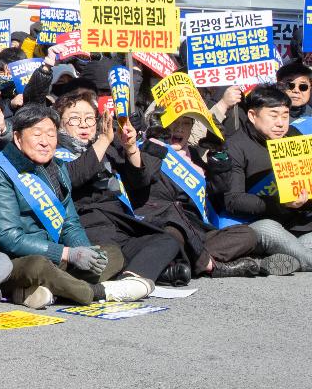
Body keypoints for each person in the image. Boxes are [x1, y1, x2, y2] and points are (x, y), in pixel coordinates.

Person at [0, 105, 150, 309]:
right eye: (37, 134)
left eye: (51, 134)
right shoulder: (1, 171)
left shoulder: (58, 166)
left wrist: (85, 252)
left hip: (56, 255)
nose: (45, 142)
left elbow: (70, 223)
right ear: (18, 138)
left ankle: (50, 290)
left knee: (111, 254)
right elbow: (9, 237)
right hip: (18, 259)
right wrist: (67, 254)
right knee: (39, 266)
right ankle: (99, 292)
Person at [51, 91, 182, 286]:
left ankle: (130, 280)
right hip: (87, 227)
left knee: (168, 240)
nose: (84, 124)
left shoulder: (109, 148)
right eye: (74, 119)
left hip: (119, 224)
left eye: (89, 118)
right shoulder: (55, 151)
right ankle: (149, 273)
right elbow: (75, 176)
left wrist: (130, 148)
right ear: (60, 124)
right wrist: (103, 139)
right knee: (112, 255)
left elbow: (142, 180)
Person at [131, 115, 275, 278]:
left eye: (186, 124)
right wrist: (155, 143)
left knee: (247, 235)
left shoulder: (193, 154)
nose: (179, 129)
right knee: (172, 236)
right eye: (174, 123)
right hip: (164, 221)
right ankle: (211, 266)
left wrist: (219, 153)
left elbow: (218, 188)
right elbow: (144, 177)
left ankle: (181, 264)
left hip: (196, 228)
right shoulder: (148, 148)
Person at [221, 84, 312, 270]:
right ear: (253, 116)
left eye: (285, 115)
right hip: (258, 223)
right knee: (269, 230)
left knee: (298, 243)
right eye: (274, 115)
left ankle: (288, 258)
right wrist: (279, 203)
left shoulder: (292, 135)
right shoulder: (235, 146)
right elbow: (233, 200)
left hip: (299, 221)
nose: (280, 123)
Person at [277, 61, 312, 128]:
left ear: (310, 89)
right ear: (279, 86)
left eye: (303, 86)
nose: (296, 90)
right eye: (290, 85)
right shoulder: (267, 117)